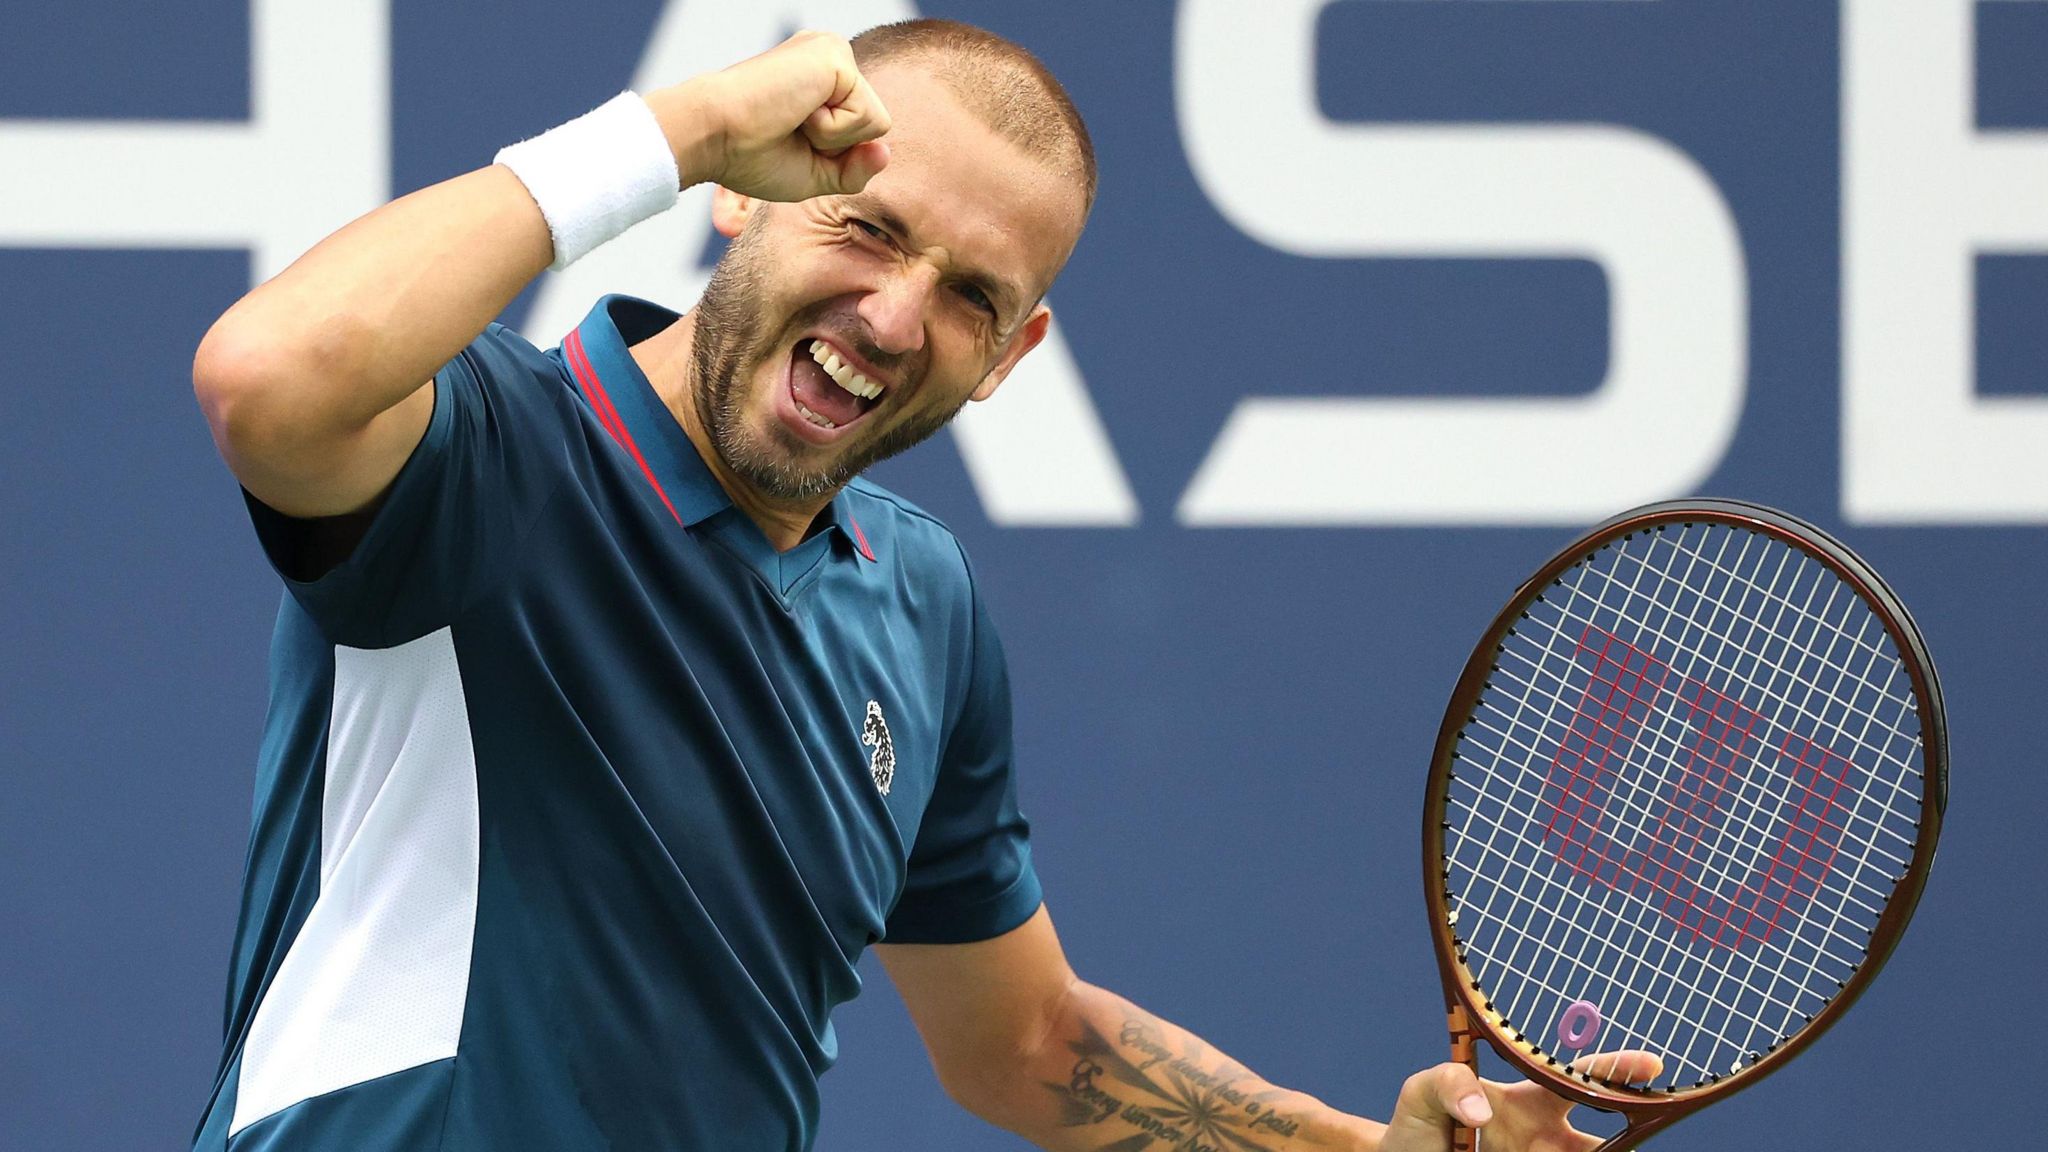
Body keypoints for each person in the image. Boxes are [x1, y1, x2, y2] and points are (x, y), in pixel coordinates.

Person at [188, 18, 1655, 1152]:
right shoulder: (490, 458)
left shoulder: (920, 604)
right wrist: (684, 124)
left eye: (972, 297)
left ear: (1015, 358)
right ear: (747, 201)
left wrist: (1355, 1147)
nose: (893, 318)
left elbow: (1024, 1046)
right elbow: (267, 378)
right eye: (868, 227)